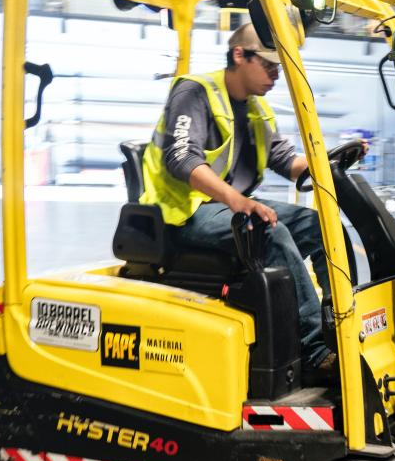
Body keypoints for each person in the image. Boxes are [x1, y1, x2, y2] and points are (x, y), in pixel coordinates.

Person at [139, 23, 335, 374]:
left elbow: (286, 161)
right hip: (185, 214)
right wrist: (237, 201)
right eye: (269, 65)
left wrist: (329, 163)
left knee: (317, 226)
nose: (275, 75)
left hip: (226, 209)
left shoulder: (257, 109)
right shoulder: (195, 92)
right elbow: (181, 157)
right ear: (239, 55)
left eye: (278, 68)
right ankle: (314, 350)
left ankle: (338, 324)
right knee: (269, 230)